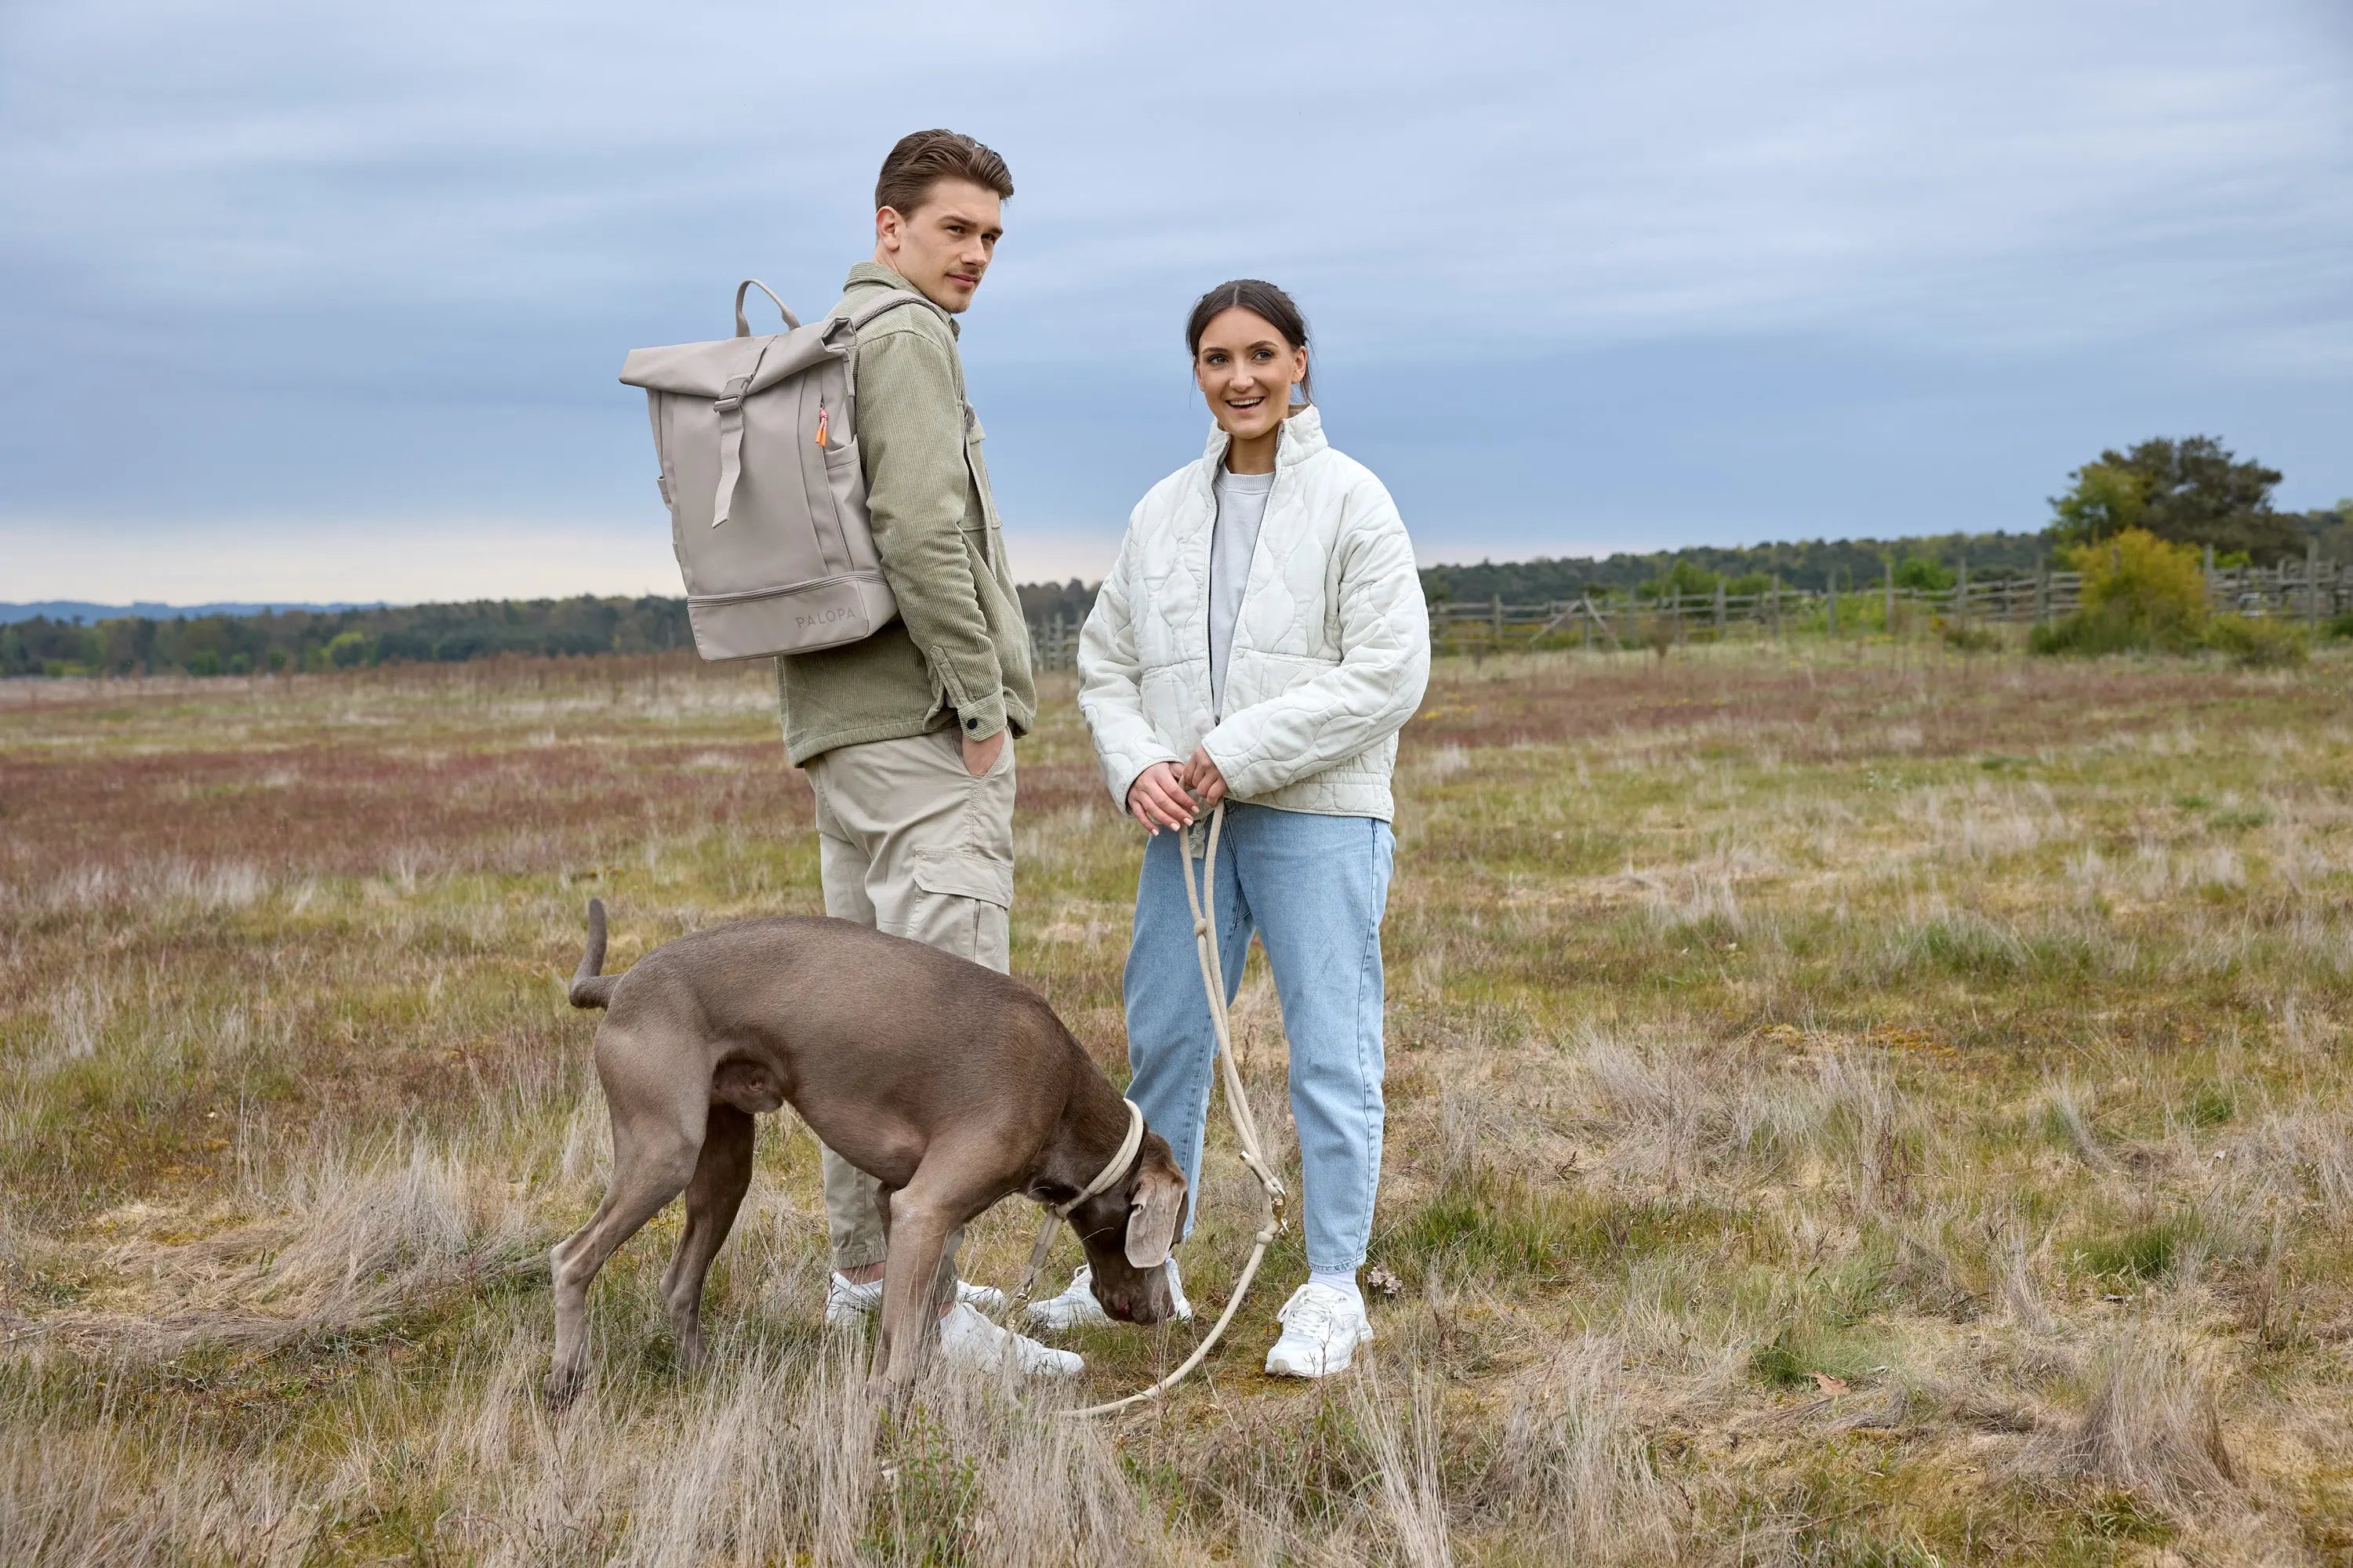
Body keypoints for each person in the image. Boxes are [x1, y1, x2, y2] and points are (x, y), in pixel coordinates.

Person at [1040, 280, 1429, 1377]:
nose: (1241, 378)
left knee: (1330, 1049)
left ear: (1299, 363)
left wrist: (1236, 753)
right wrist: (1138, 771)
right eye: (1217, 359)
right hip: (1186, 829)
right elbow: (1105, 664)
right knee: (1163, 1038)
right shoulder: (1161, 509)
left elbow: (1390, 673)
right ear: (1197, 374)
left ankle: (1330, 1285)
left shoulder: (1355, 500)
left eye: (1262, 355)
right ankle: (1142, 1266)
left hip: (1318, 814)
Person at [781, 129, 1073, 1377]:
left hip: (842, 732)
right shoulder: (900, 336)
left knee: (856, 1033)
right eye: (956, 229)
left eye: (993, 237)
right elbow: (916, 528)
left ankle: (865, 1282)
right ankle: (934, 1318)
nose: (977, 257)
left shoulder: (836, 337)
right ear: (889, 224)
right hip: (914, 732)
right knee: (954, 1045)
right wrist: (979, 706)